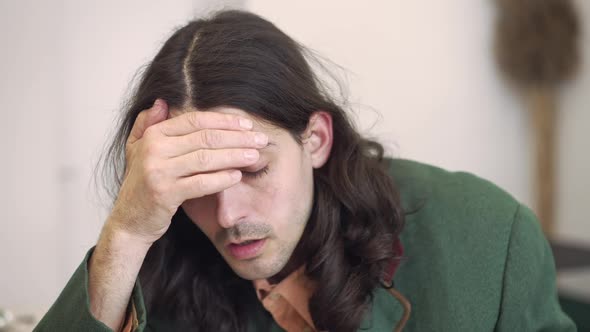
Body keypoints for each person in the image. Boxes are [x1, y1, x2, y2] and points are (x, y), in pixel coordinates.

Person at [34, 9, 575, 332]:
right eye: (195, 183)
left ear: (315, 139)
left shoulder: (488, 238)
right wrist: (125, 234)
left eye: (252, 170)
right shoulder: (159, 271)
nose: (229, 214)